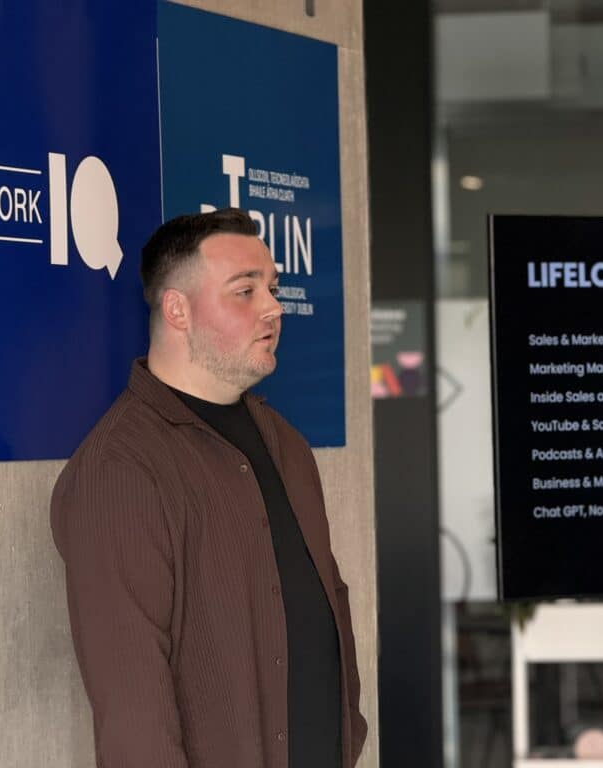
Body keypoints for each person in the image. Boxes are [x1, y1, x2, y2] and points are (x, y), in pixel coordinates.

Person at [51, 208, 367, 768]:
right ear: (178, 309)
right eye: (245, 291)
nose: (273, 307)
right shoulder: (120, 468)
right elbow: (133, 714)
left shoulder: (285, 443)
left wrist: (351, 731)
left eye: (272, 288)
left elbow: (329, 603)